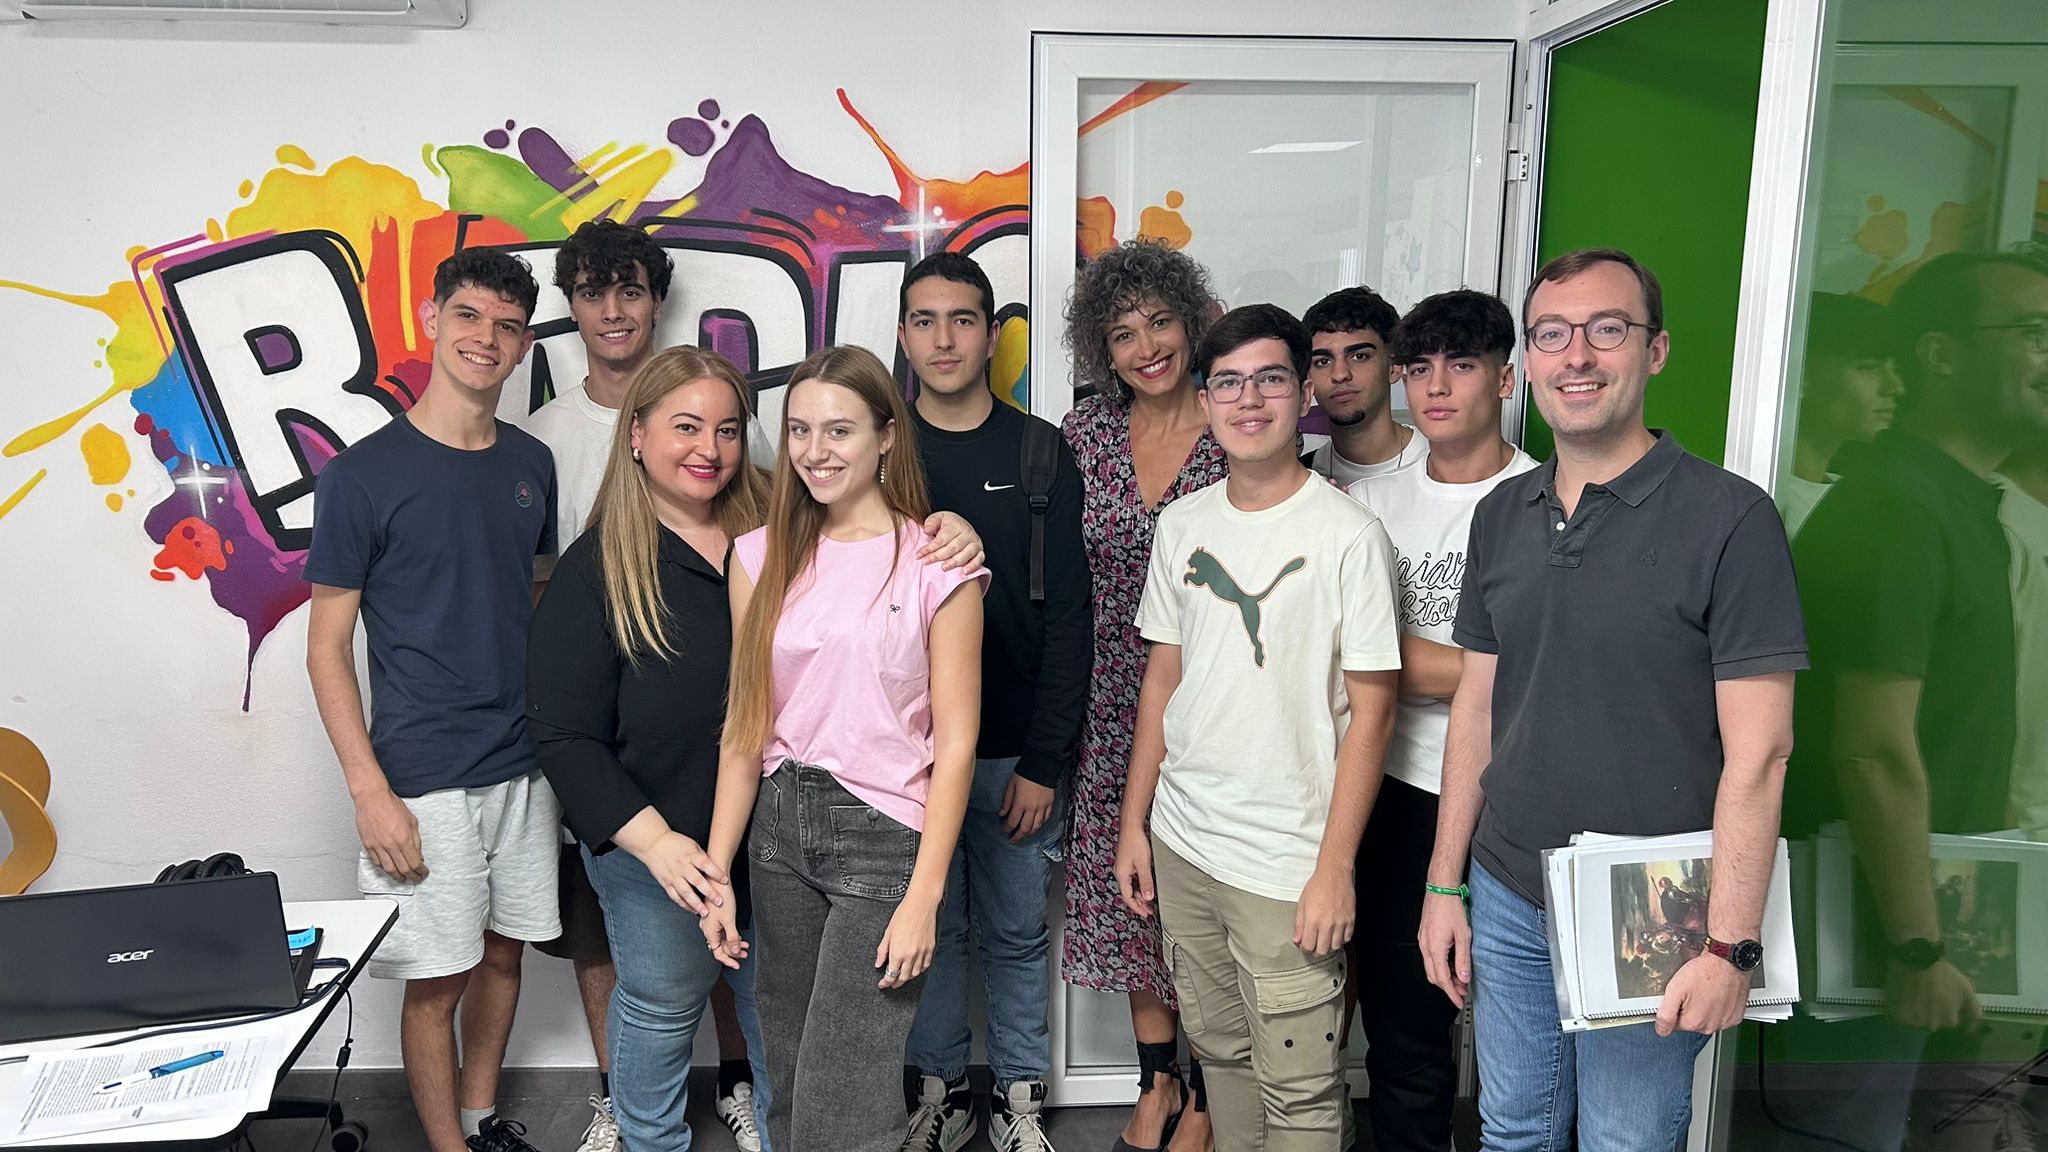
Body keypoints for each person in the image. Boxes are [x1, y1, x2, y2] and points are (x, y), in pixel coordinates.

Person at [1415, 249, 1807, 1151]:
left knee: (1625, 1142)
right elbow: (1477, 706)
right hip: (1508, 886)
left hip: (1655, 906)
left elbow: (1762, 754)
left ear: (1655, 350)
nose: (1578, 356)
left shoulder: (1731, 520)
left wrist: (1729, 946)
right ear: (1529, 364)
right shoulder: (1501, 515)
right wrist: (1445, 882)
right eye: (1552, 335)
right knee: (1513, 1130)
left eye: (1606, 329)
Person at [1116, 303, 1400, 1150]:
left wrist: (1335, 870)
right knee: (1223, 1059)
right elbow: (1162, 679)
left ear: (1303, 392)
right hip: (1185, 843)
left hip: (1287, 862)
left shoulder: (1350, 535)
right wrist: (1134, 824)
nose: (1249, 400)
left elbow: (1375, 711)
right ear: (1205, 400)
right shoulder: (1183, 524)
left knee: (1302, 1094)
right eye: (1229, 383)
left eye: (1270, 379)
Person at [1782, 249, 2048, 1148]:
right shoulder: (1896, 506)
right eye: (2033, 333)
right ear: (1940, 353)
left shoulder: (1963, 501)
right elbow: (1872, 747)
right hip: (1873, 932)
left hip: (1929, 916)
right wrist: (1915, 947)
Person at [700, 345, 989, 1152]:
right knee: (791, 1087)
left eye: (839, 430)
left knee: (846, 1102)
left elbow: (957, 746)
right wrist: (717, 875)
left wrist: (925, 896)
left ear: (886, 435)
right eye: (799, 430)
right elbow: (745, 726)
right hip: (777, 832)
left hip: (883, 836)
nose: (816, 450)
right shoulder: (757, 555)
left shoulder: (938, 564)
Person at [305, 248, 558, 1152]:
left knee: (505, 953)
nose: (485, 338)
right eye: (468, 316)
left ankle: (483, 1125)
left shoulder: (531, 463)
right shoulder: (361, 476)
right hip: (421, 776)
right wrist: (369, 791)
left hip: (524, 765)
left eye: (506, 325)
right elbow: (326, 648)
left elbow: (533, 596)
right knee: (439, 978)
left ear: (523, 344)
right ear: (430, 319)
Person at [525, 218, 769, 1152]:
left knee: (776, 1005)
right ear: (637, 437)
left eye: (726, 430)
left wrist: (951, 529)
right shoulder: (597, 567)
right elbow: (564, 735)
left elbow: (882, 547)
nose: (708, 448)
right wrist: (660, 847)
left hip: (775, 836)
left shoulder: (780, 537)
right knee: (665, 1001)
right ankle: (650, 1141)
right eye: (685, 428)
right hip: (652, 839)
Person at [895, 252, 1092, 1152]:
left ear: (991, 334)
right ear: (904, 336)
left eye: (963, 319)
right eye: (925, 320)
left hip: (1015, 753)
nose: (944, 339)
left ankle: (1018, 1100)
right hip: (908, 759)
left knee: (1015, 935)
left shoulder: (1040, 451)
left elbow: (1071, 622)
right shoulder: (880, 448)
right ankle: (937, 1095)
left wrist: (1045, 763)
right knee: (929, 931)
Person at [1347, 288, 1536, 1152]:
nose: (1436, 387)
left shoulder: (1547, 498)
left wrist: (1411, 665)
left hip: (1515, 797)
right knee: (1405, 1033)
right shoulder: (1371, 501)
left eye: (1462, 365)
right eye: (1419, 368)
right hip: (1395, 789)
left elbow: (1557, 672)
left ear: (1505, 377)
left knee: (1525, 1033)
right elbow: (1349, 659)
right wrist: (1490, 672)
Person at [1060, 239, 1226, 1152]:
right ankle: (1156, 1081)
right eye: (1124, 333)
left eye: (1160, 322)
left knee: (1203, 901)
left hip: (1212, 700)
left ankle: (1207, 1091)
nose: (1147, 347)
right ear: (1103, 348)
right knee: (1135, 904)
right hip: (1107, 701)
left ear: (1191, 324)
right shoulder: (1085, 435)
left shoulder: (1236, 421)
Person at [1775, 291, 1903, 536]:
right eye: (1868, 367)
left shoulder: (1861, 498)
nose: (1895, 387)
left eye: (1893, 367)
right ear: (1799, 376)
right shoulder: (1763, 500)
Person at [1301, 286, 1428, 486]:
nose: (1340, 374)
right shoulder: (1302, 479)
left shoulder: (1440, 465)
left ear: (1394, 367)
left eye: (1359, 356)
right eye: (1323, 361)